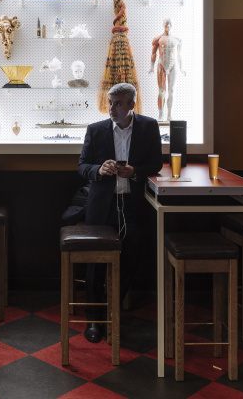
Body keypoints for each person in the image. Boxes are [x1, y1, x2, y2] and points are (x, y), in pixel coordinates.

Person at [77, 82, 163, 343]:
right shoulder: (96, 130)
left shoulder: (149, 126)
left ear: (131, 105)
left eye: (117, 103)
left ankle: (111, 310)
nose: (111, 108)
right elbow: (82, 166)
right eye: (110, 102)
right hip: (102, 205)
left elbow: (156, 163)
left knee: (130, 260)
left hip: (133, 204)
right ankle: (94, 319)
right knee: (95, 264)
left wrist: (135, 171)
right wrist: (99, 170)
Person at [149, 18, 185, 121]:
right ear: (163, 25)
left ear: (171, 26)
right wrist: (151, 66)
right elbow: (153, 53)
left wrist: (181, 67)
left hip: (173, 65)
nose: (167, 26)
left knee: (171, 90)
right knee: (161, 91)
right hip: (162, 64)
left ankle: (169, 115)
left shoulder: (177, 39)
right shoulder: (158, 39)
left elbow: (179, 55)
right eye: (166, 24)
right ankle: (161, 115)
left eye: (169, 24)